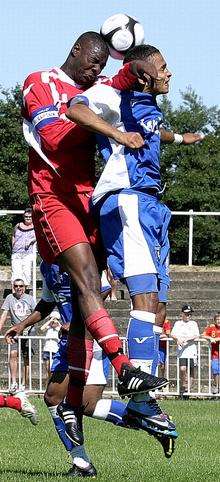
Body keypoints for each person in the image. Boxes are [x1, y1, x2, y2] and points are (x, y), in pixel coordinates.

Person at [22, 31, 168, 446]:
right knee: (85, 283)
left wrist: (132, 76)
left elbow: (118, 94)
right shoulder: (42, 82)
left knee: (96, 311)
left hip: (91, 198)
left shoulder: (94, 91)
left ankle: (80, 448)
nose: (95, 71)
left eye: (103, 67)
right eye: (91, 62)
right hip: (54, 197)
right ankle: (125, 367)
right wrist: (110, 128)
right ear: (75, 50)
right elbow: (52, 137)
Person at [66, 44, 203, 425]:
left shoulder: (148, 108)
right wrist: (118, 135)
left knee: (159, 303)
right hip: (127, 199)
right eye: (163, 67)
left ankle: (144, 393)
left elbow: (155, 132)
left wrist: (181, 140)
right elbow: (75, 109)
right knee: (142, 295)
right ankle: (138, 394)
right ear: (142, 72)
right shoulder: (114, 95)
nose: (169, 73)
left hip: (153, 205)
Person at [5, 262, 177, 478]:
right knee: (54, 398)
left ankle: (148, 422)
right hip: (68, 342)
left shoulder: (78, 255)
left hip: (90, 339)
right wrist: (23, 325)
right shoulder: (47, 267)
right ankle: (82, 461)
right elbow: (48, 302)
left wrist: (78, 321)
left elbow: (102, 289)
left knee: (86, 404)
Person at [0, 279, 35, 392]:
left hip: (29, 330)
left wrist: (27, 327)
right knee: (13, 354)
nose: (18, 288)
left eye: (21, 286)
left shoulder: (30, 299)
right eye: (16, 286)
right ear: (13, 287)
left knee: (26, 358)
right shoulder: (10, 298)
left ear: (24, 287)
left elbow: (36, 314)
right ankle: (14, 382)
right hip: (14, 330)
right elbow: (4, 314)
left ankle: (23, 385)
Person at [171, 304, 200, 397]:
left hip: (191, 350)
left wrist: (186, 339)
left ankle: (188, 390)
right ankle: (184, 384)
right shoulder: (178, 323)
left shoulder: (193, 323)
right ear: (182, 314)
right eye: (187, 314)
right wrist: (177, 339)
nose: (188, 316)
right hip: (182, 351)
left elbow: (196, 335)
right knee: (182, 369)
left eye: (190, 314)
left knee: (191, 370)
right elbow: (173, 334)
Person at [11, 208, 36, 290]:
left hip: (28, 254)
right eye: (26, 216)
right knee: (16, 273)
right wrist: (13, 245)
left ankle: (24, 293)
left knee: (26, 273)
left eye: (30, 216)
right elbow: (13, 235)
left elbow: (39, 237)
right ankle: (14, 293)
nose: (28, 218)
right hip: (16, 253)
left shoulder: (36, 227)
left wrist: (31, 241)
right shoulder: (18, 225)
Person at [202, 312, 220, 394]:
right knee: (215, 369)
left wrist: (218, 339)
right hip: (215, 354)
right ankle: (216, 386)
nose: (219, 321)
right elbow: (203, 335)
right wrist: (210, 338)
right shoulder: (212, 327)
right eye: (217, 320)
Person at [40, 310, 61, 379]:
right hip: (47, 350)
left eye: (56, 319)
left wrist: (57, 322)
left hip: (55, 350)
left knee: (53, 370)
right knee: (48, 369)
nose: (54, 321)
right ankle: (48, 384)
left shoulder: (59, 328)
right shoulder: (48, 328)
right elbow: (41, 329)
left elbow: (62, 329)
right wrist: (50, 321)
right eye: (52, 319)